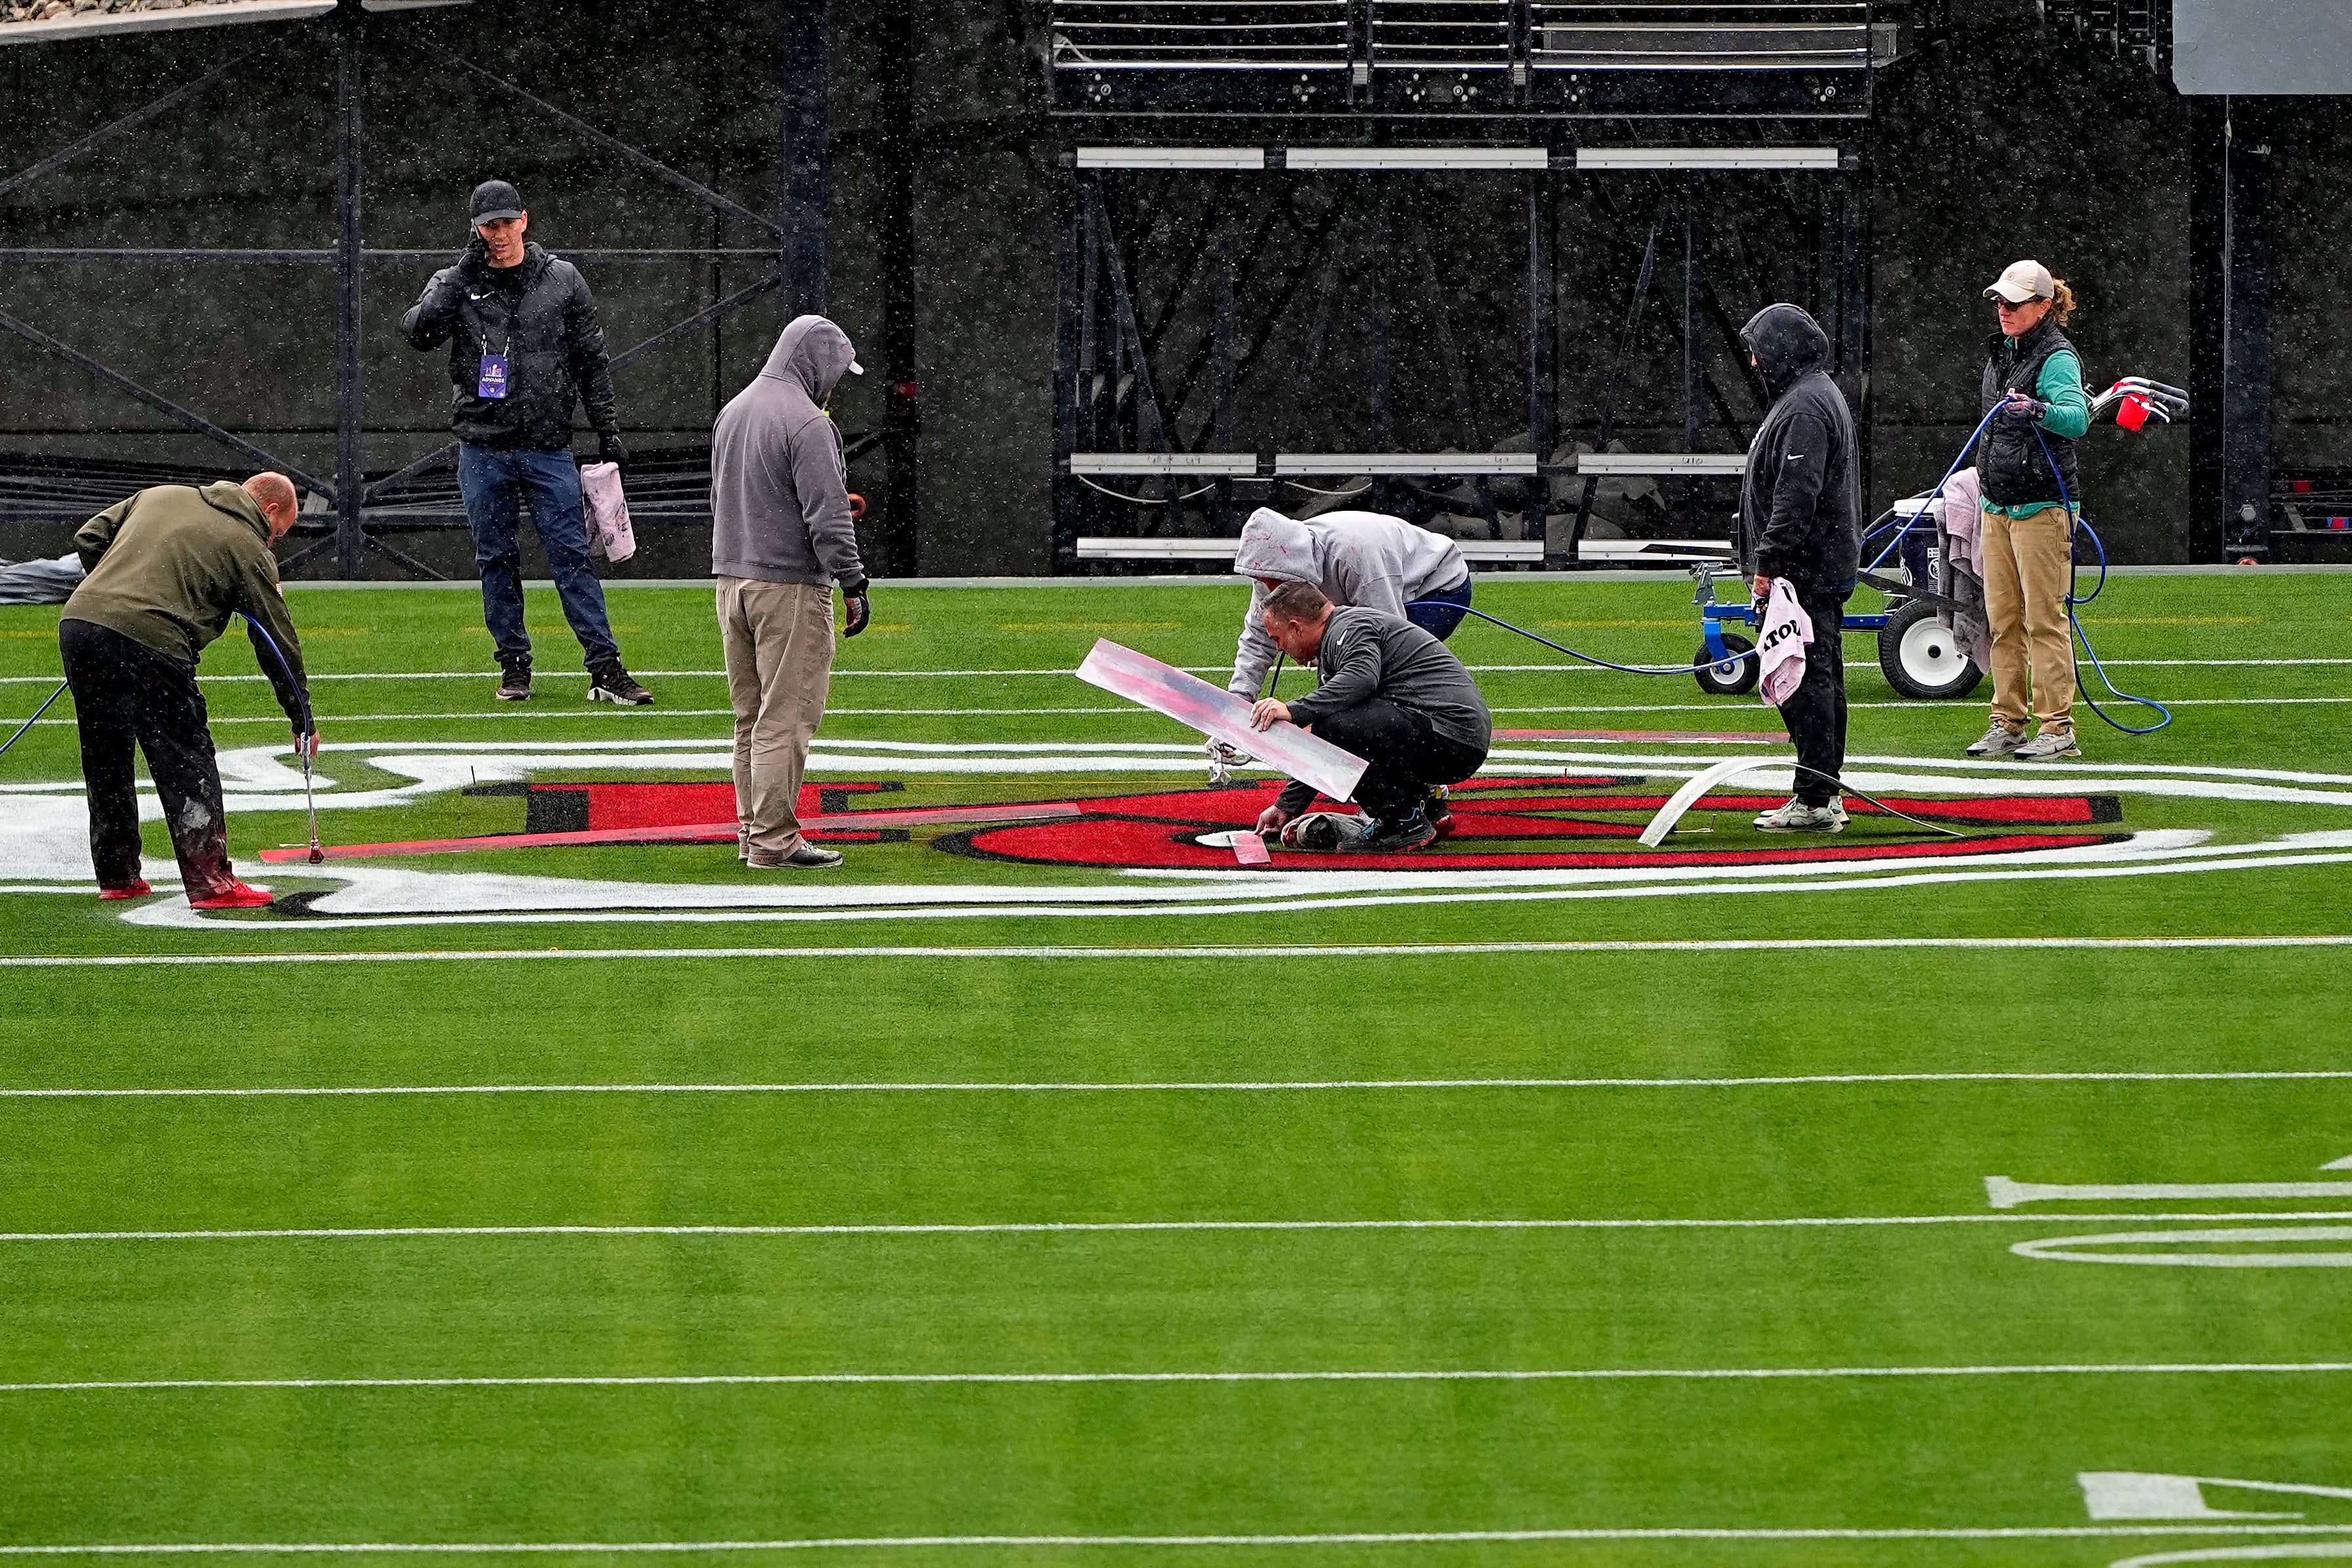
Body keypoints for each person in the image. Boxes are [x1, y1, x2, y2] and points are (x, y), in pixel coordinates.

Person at [399, 178, 652, 707]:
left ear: (524, 220)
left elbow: (591, 361)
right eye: (489, 225)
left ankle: (605, 666)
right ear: (475, 229)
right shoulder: (457, 280)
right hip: (482, 446)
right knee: (496, 558)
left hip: (546, 445)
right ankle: (514, 667)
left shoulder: (562, 280)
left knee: (571, 557)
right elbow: (419, 331)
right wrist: (464, 273)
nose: (499, 234)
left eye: (506, 222)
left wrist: (608, 429)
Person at [58, 473, 316, 908]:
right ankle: (211, 882)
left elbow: (90, 536)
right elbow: (276, 638)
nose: (272, 544)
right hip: (151, 638)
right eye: (279, 534)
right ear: (270, 511)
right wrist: (301, 716)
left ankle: (118, 874)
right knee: (185, 755)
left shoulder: (160, 494)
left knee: (105, 754)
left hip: (81, 623)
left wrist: (116, 588)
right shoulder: (248, 546)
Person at [709, 314, 872, 870]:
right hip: (788, 588)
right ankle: (774, 842)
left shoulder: (734, 411)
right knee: (785, 718)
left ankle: (753, 833)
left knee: (750, 717)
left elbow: (725, 500)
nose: (835, 384)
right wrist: (853, 580)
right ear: (816, 361)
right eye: (835, 372)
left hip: (732, 583)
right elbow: (828, 518)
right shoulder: (806, 422)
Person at [1247, 580, 1490, 853]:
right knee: (1339, 725)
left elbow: (1361, 681)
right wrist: (1287, 805)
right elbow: (1327, 744)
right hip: (1452, 735)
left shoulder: (1349, 628)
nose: (1279, 649)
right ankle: (1427, 806)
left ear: (1296, 627)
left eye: (1277, 639)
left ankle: (1403, 823)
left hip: (1450, 736)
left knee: (1337, 725)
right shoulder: (1342, 634)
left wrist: (1294, 710)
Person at [1737, 302, 1861, 833]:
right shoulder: (1812, 394)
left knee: (1807, 682)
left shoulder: (1805, 406)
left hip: (1803, 570)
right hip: (1813, 565)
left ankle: (1814, 798)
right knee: (1820, 679)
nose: (1754, 363)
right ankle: (1823, 791)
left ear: (1780, 351)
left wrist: (1768, 562)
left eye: (1758, 352)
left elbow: (1796, 495)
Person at [1968, 260, 2091, 762]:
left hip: (2041, 507)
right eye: (2000, 301)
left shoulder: (2057, 357)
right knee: (2003, 620)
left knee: (2043, 619)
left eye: (2014, 303)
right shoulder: (2003, 351)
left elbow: (2078, 420)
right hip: (1999, 504)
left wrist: (2038, 409)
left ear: (2044, 306)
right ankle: (2008, 721)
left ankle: (2058, 728)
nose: (2004, 309)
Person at [1226, 506, 1472, 702]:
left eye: (1275, 581)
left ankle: (1423, 723)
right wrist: (1238, 701)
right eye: (1264, 581)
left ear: (1293, 565)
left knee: (1387, 669)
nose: (1270, 588)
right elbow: (1258, 638)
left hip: (1436, 587)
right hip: (1380, 589)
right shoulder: (1270, 573)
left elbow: (1389, 635)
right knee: (1345, 662)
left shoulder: (1354, 557)